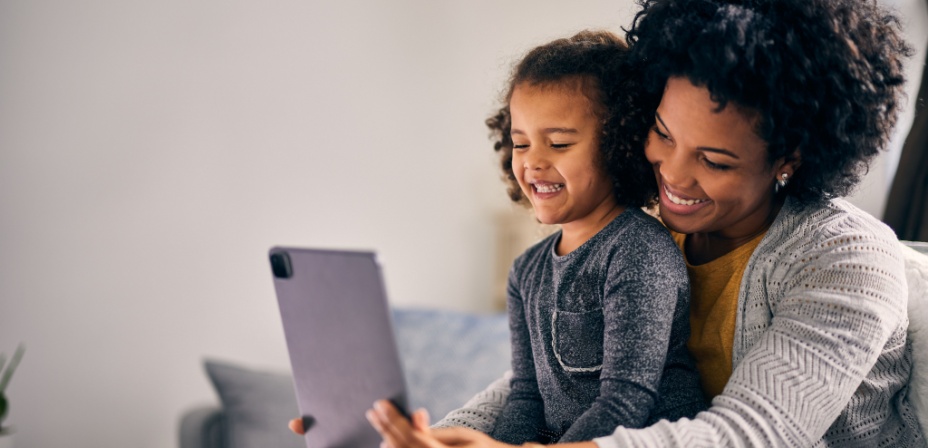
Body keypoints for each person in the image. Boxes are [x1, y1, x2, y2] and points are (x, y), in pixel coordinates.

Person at [363, 0, 927, 446]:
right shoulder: (639, 226)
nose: (673, 177)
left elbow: (749, 435)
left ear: (790, 159)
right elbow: (557, 371)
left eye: (714, 160)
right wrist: (422, 437)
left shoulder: (846, 260)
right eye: (662, 132)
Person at [289, 29, 707, 444]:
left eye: (558, 143)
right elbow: (526, 396)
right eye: (521, 144)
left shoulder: (639, 251)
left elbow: (626, 402)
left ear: (620, 145)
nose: (533, 162)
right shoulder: (527, 271)